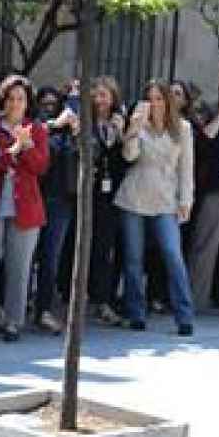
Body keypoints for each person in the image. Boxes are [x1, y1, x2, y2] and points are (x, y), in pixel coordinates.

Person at [0, 74, 50, 341]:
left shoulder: (36, 129)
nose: (16, 104)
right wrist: (12, 150)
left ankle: (14, 320)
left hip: (25, 208)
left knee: (20, 266)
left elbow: (41, 166)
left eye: (21, 99)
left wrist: (25, 147)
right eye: (11, 99)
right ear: (2, 101)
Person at [115, 81, 195, 334]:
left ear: (168, 101)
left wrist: (186, 200)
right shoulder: (139, 125)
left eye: (159, 98)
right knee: (133, 259)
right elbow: (129, 157)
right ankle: (136, 313)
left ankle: (184, 316)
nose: (155, 104)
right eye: (150, 99)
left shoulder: (182, 128)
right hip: (134, 195)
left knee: (173, 254)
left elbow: (186, 168)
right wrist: (133, 130)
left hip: (166, 200)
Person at [32, 85, 80, 333]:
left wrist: (74, 130)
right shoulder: (38, 126)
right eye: (44, 104)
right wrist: (53, 125)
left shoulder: (67, 131)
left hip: (60, 200)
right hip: (34, 197)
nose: (49, 108)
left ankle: (44, 309)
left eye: (54, 104)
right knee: (27, 257)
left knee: (51, 257)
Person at [85, 78, 128, 323]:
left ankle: (103, 300)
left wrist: (120, 129)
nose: (100, 100)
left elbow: (124, 155)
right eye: (96, 95)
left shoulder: (120, 123)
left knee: (104, 248)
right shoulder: (86, 122)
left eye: (105, 95)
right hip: (85, 193)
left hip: (110, 195)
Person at [186, 70, 219, 313]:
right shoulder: (211, 112)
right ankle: (193, 298)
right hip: (216, 189)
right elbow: (205, 140)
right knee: (206, 244)